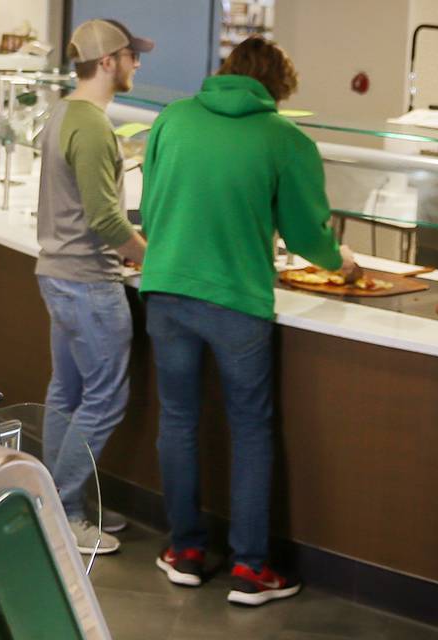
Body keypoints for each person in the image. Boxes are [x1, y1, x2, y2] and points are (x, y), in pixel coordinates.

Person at [137, 36, 362, 607]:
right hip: (237, 301)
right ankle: (250, 568)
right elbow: (307, 234)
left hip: (165, 287)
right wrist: (344, 263)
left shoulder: (174, 119)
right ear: (278, 88)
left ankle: (185, 552)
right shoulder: (284, 138)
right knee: (250, 431)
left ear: (226, 70)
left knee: (180, 422)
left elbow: (154, 199)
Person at [34, 18, 151, 556]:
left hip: (56, 274)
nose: (137, 66)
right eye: (131, 57)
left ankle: (48, 503)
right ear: (108, 62)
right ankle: (67, 509)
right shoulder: (95, 127)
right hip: (89, 282)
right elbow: (106, 220)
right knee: (103, 400)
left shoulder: (62, 112)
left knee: (67, 393)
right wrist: (153, 256)